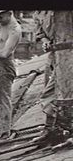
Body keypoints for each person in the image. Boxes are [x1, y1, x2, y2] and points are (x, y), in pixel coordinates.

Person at [31, 11, 73, 145]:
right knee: (49, 94)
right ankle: (50, 129)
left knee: (68, 96)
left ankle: (67, 130)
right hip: (55, 57)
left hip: (70, 55)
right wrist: (45, 41)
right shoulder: (39, 12)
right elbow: (40, 32)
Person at [0, 10, 21, 142]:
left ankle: (4, 133)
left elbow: (5, 53)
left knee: (3, 99)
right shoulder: (2, 24)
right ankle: (0, 130)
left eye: (0, 16)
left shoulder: (15, 30)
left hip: (5, 66)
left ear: (10, 13)